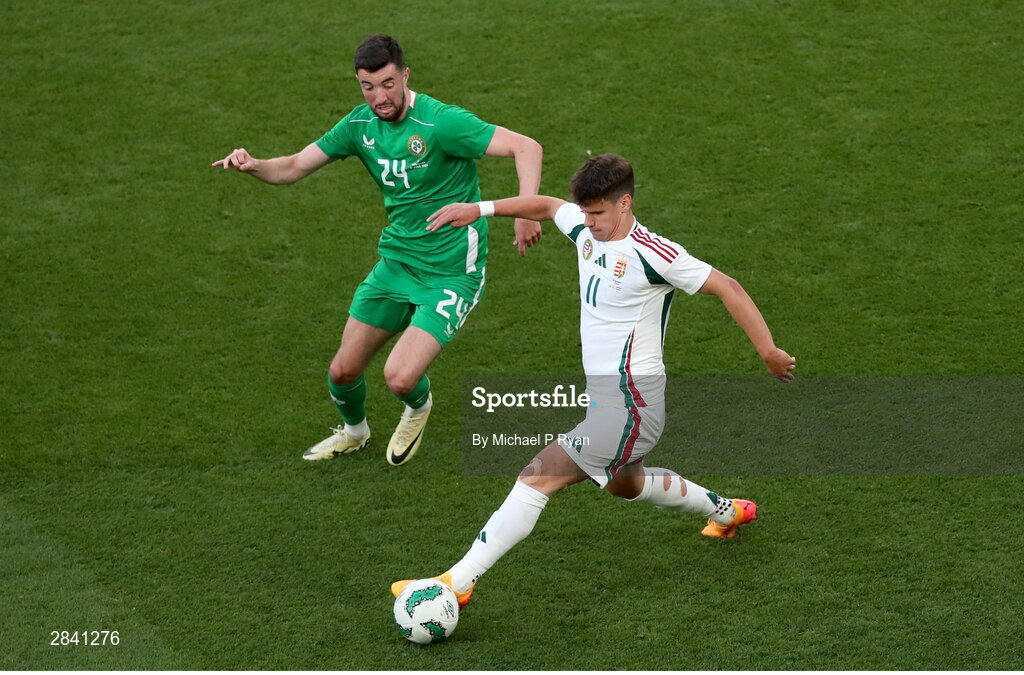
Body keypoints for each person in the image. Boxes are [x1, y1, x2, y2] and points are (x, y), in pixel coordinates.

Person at [392, 153, 795, 608]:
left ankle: (457, 581)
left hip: (633, 409)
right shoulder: (585, 228)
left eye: (597, 212)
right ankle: (728, 511)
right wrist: (480, 209)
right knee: (627, 484)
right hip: (608, 405)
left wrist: (768, 351)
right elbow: (546, 205)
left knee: (537, 476)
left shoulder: (655, 254)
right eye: (583, 211)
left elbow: (729, 287)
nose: (588, 222)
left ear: (624, 203)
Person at [212, 35, 543, 465]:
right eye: (368, 86)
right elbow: (293, 166)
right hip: (397, 264)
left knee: (401, 377)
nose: (379, 97)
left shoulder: (440, 123)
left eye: (388, 84)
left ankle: (419, 407)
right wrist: (253, 165)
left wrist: (525, 211)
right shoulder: (358, 126)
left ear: (405, 76)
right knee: (342, 372)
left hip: (450, 273)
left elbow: (526, 146)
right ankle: (355, 432)